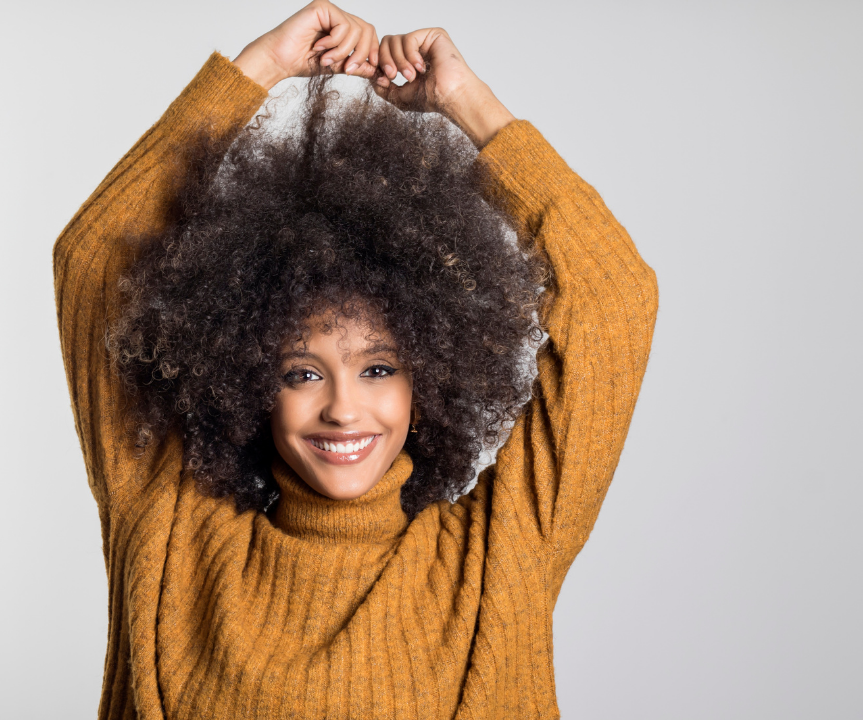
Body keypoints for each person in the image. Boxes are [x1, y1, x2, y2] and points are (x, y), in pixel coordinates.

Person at [53, 1, 658, 717]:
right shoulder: (169, 534)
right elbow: (93, 260)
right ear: (249, 381)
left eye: (378, 368)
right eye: (301, 372)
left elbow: (615, 298)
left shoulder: (497, 556)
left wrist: (464, 102)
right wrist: (261, 71)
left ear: (428, 378)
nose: (343, 407)